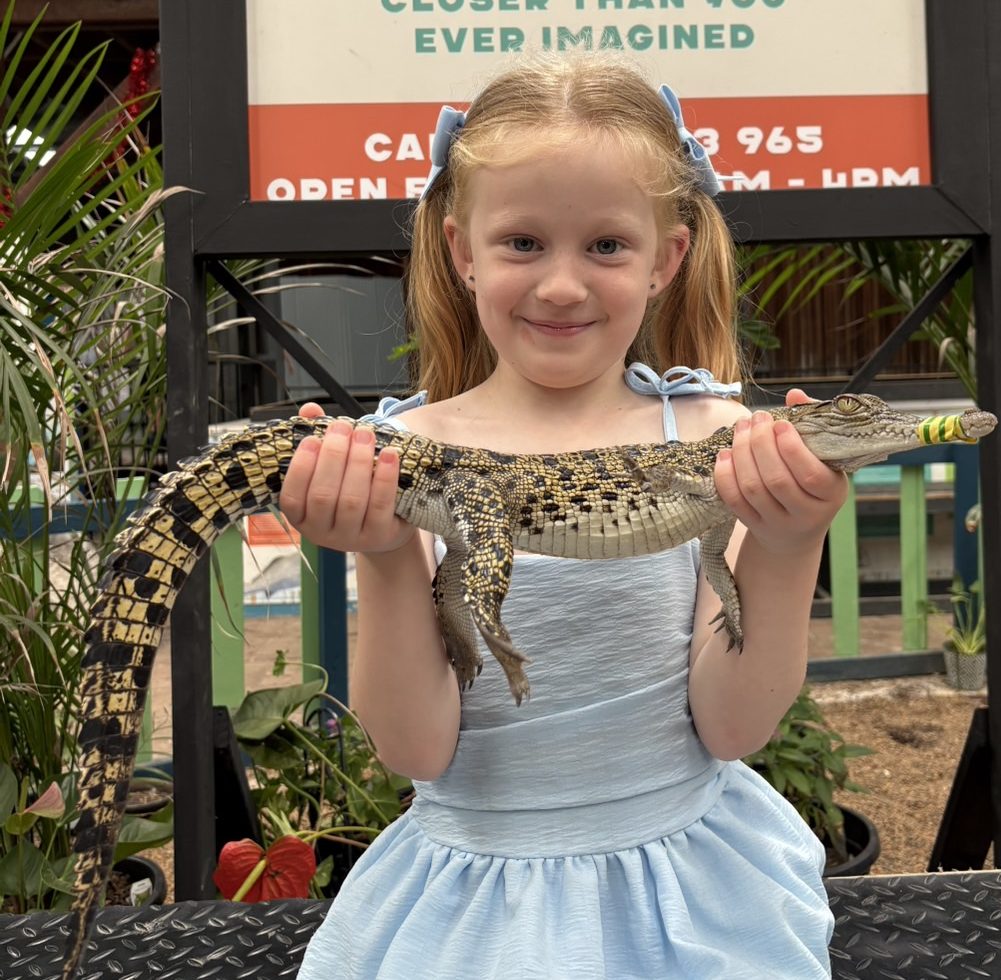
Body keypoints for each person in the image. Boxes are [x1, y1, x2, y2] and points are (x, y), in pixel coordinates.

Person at [281, 52, 847, 979]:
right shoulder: (401, 454)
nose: (560, 286)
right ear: (463, 252)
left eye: (607, 246)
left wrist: (789, 544)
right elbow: (417, 750)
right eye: (524, 243)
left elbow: (732, 728)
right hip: (467, 903)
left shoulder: (725, 438)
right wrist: (386, 557)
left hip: (689, 897)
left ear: (667, 259)